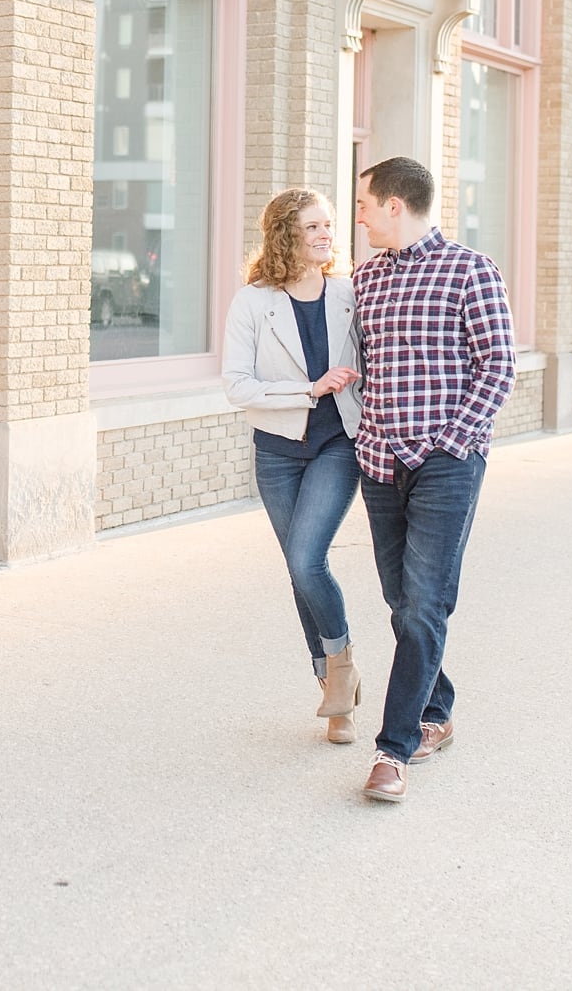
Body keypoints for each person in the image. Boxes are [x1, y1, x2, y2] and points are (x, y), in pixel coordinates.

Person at [351, 156, 514, 802]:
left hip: (447, 461)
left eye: (365, 203)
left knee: (424, 602)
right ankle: (437, 707)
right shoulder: (363, 281)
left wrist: (451, 443)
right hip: (378, 462)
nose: (358, 214)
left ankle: (393, 748)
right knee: (403, 602)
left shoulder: (471, 270)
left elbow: (498, 365)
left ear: (396, 204)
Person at [222, 188, 365, 743]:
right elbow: (238, 386)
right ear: (285, 233)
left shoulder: (349, 294)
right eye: (312, 227)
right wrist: (308, 389)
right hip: (279, 452)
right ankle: (337, 699)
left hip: (337, 444)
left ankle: (341, 667)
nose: (325, 235)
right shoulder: (254, 301)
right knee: (298, 571)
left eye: (328, 225)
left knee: (308, 560)